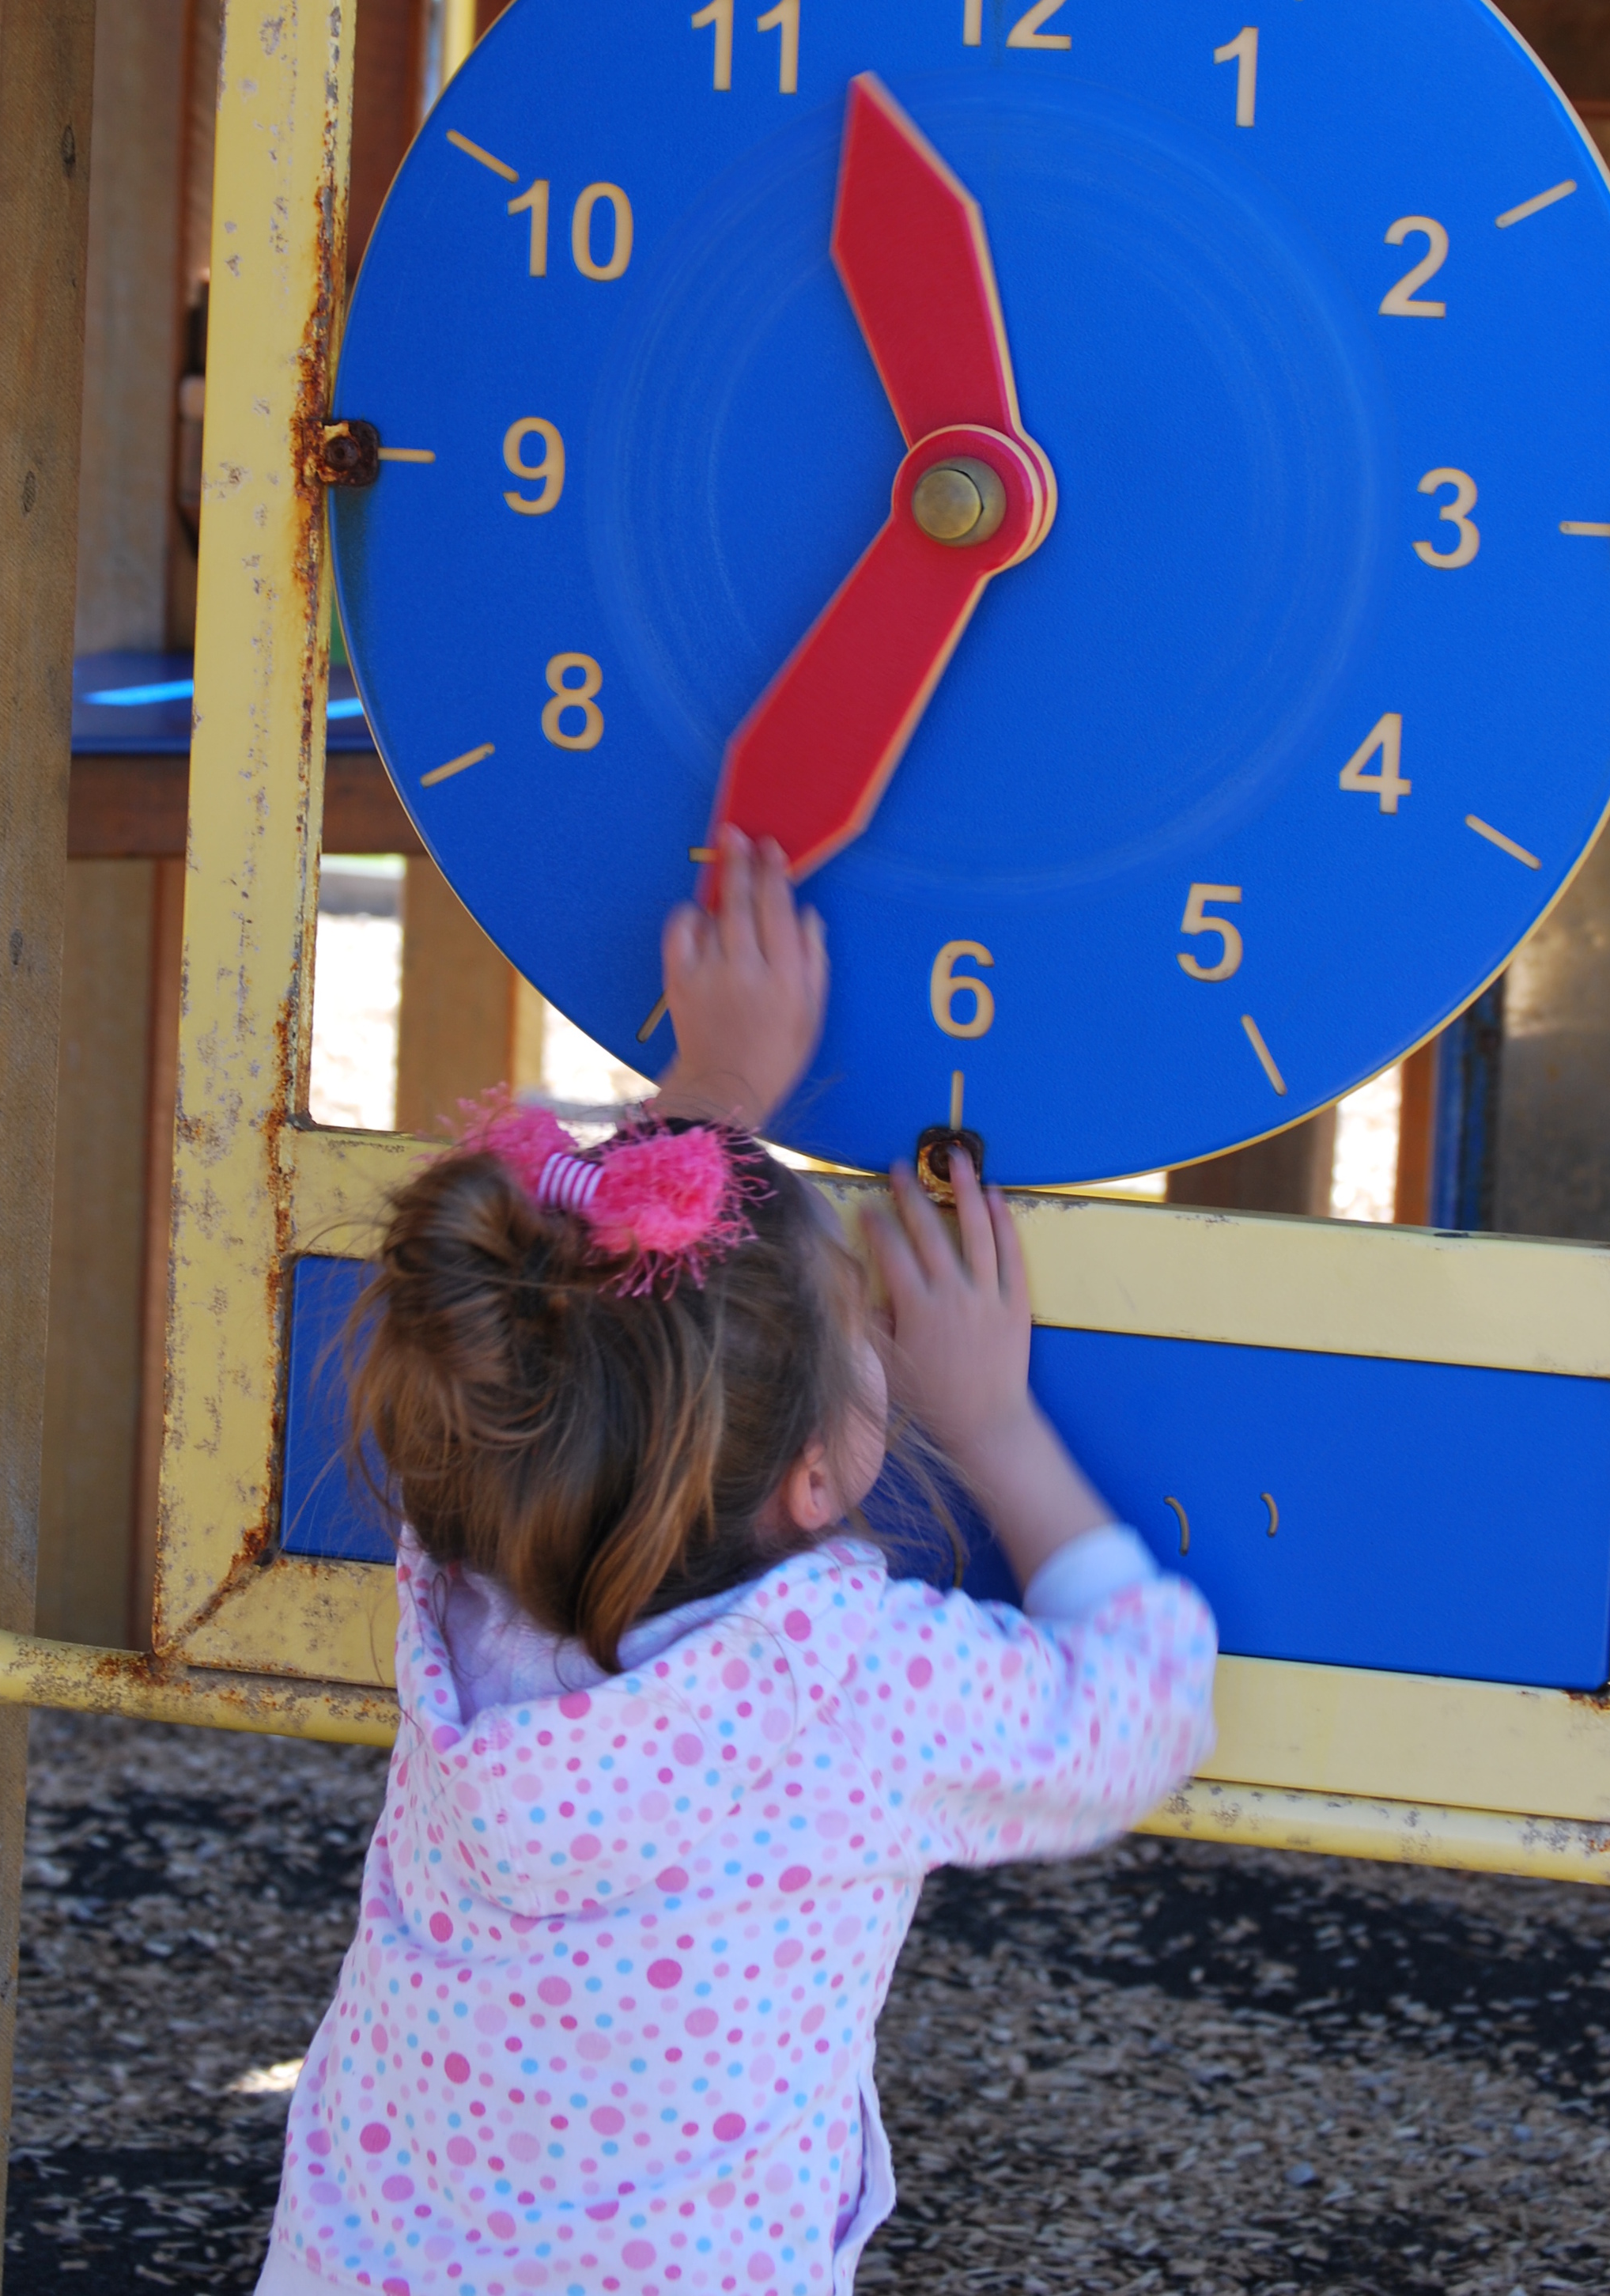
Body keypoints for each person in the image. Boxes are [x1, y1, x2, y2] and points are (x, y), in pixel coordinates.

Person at [255, 833, 1217, 2296]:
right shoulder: (849, 1690)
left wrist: (715, 1094)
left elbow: (598, 1331)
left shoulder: (468, 1563)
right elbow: (1140, 1710)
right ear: (820, 1477)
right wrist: (997, 1421)